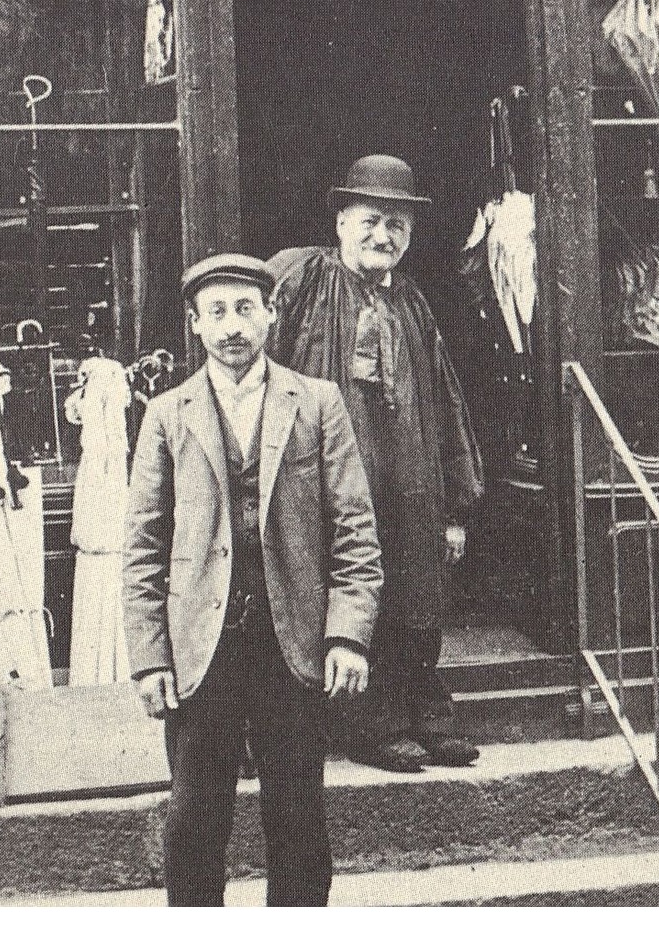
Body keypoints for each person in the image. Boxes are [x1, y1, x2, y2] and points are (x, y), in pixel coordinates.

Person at [123, 253, 383, 906]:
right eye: (217, 313)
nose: (233, 326)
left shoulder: (316, 405)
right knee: (192, 823)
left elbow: (354, 531)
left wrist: (346, 637)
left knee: (297, 820)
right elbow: (142, 550)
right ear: (195, 325)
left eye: (245, 308)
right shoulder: (167, 414)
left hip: (288, 645)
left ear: (270, 314)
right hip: (199, 650)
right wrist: (150, 658)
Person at [267, 154, 486, 774]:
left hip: (407, 480)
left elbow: (445, 403)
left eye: (396, 225)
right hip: (327, 480)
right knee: (348, 586)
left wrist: (454, 504)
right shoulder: (301, 280)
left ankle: (421, 709)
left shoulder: (412, 304)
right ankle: (367, 721)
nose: (382, 236)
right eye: (369, 221)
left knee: (416, 586)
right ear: (340, 221)